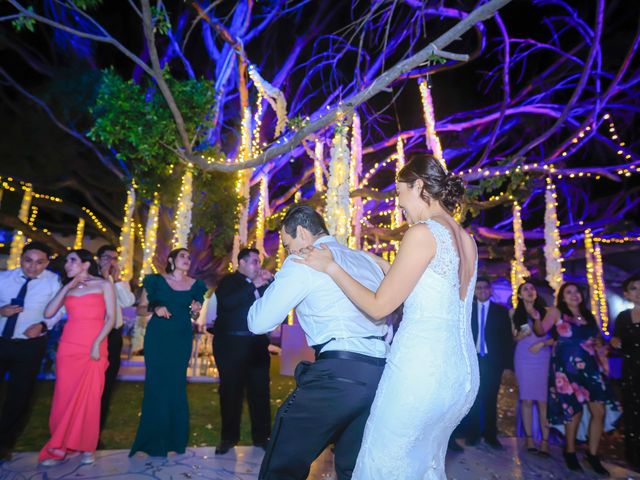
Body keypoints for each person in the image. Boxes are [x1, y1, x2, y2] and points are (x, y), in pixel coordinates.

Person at [298, 154, 479, 480]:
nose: (399, 204)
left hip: (420, 371)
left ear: (419, 186)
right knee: (423, 464)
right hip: (459, 376)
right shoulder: (466, 239)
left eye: (400, 194)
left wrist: (331, 267)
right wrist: (378, 263)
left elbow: (379, 306)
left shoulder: (423, 232)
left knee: (384, 462)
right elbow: (429, 287)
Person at [248, 204, 388, 480]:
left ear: (301, 232)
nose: (289, 252)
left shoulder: (303, 260)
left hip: (338, 375)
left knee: (282, 461)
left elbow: (259, 322)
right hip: (379, 373)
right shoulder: (364, 260)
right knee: (353, 467)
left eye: (288, 245)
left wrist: (275, 283)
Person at [38, 249, 116, 466]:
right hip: (69, 347)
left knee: (90, 399)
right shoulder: (68, 287)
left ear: (86, 264)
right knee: (63, 397)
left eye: (72, 261)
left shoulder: (103, 285)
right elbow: (48, 312)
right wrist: (67, 287)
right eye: (66, 262)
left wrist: (96, 344)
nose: (67, 265)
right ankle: (58, 447)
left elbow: (111, 317)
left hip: (95, 346)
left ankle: (87, 446)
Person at [534, 281, 620, 475]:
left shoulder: (589, 315)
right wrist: (536, 318)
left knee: (599, 411)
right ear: (562, 297)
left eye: (577, 292)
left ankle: (592, 454)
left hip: (592, 369)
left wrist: (604, 355)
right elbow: (540, 331)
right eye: (569, 292)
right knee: (574, 412)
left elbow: (597, 342)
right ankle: (570, 452)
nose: (574, 295)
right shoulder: (556, 312)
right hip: (567, 369)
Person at [129, 248, 207, 457]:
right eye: (183, 255)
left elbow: (193, 314)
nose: (187, 259)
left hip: (181, 338)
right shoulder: (155, 281)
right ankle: (152, 441)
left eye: (189, 257)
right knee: (155, 385)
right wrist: (155, 309)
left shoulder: (196, 285)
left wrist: (195, 310)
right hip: (158, 338)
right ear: (171, 259)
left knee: (176, 386)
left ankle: (175, 440)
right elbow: (140, 308)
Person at [0, 242, 64, 462]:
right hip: (1, 341)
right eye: (29, 260)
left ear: (46, 263)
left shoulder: (53, 282)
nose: (33, 267)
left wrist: (43, 326)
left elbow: (59, 310)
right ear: (21, 258)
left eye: (39, 262)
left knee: (20, 396)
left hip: (30, 345)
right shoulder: (3, 278)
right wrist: (1, 311)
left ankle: (4, 443)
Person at [212, 248, 273, 455]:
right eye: (255, 261)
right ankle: (228, 438)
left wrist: (271, 282)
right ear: (242, 263)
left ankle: (262, 437)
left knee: (260, 392)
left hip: (256, 345)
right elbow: (228, 303)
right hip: (230, 345)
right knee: (231, 392)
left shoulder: (262, 284)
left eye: (259, 262)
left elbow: (275, 303)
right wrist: (253, 285)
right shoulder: (229, 281)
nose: (258, 266)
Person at [461, 276, 513, 450]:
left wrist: (507, 366)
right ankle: (473, 433)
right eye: (478, 288)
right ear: (474, 291)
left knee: (491, 398)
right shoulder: (468, 310)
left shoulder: (501, 311)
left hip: (492, 360)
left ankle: (491, 434)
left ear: (490, 290)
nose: (482, 290)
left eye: (485, 287)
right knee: (473, 398)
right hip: (473, 359)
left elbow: (507, 340)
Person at [95, 244, 135, 432]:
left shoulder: (118, 281)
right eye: (106, 257)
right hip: (93, 336)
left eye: (114, 258)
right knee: (90, 386)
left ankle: (96, 432)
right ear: (97, 259)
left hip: (113, 337)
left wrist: (117, 280)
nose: (111, 261)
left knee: (107, 385)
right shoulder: (89, 279)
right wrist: (103, 278)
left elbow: (128, 302)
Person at [510, 280, 552, 455]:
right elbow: (514, 338)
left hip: (542, 357)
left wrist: (542, 344)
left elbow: (555, 336)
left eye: (532, 288)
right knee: (526, 399)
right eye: (525, 289)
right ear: (519, 295)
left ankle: (544, 441)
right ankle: (529, 440)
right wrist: (520, 335)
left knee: (543, 401)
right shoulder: (514, 313)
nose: (529, 291)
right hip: (523, 357)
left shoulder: (547, 312)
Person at [610, 274, 640, 470]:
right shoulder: (623, 317)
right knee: (633, 415)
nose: (639, 292)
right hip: (631, 372)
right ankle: (635, 460)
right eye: (634, 289)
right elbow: (616, 342)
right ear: (627, 294)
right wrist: (614, 343)